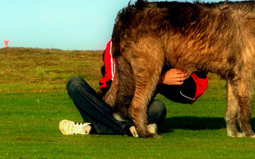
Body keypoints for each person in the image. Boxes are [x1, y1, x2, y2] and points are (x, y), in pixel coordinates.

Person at [60, 40, 209, 136]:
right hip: (108, 105)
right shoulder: (115, 45)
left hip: (136, 110)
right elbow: (117, 88)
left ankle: (92, 127)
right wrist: (160, 79)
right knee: (75, 84)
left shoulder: (160, 52)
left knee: (158, 108)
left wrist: (203, 66)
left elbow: (189, 94)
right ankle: (126, 129)